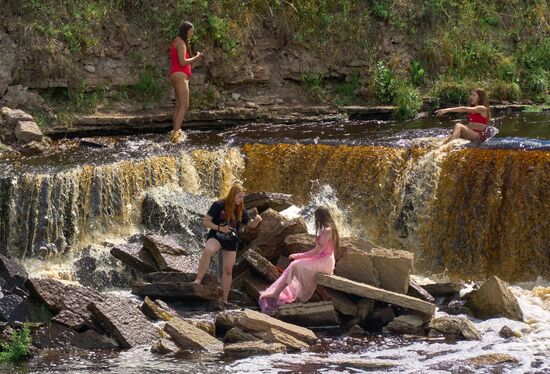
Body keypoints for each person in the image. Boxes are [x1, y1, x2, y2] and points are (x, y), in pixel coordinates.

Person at [258, 206, 339, 314]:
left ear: (320, 217)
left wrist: (297, 255)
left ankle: (277, 293)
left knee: (295, 264)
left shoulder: (328, 230)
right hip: (325, 260)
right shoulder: (331, 228)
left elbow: (316, 252)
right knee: (295, 265)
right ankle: (277, 292)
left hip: (325, 262)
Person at [193, 183, 262, 303]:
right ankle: (198, 279)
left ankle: (224, 299)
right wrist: (220, 228)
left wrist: (257, 220)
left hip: (231, 240)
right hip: (217, 235)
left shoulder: (240, 208)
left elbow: (251, 224)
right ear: (233, 195)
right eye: (240, 197)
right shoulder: (218, 205)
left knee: (228, 270)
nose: (241, 200)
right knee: (208, 250)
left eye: (243, 197)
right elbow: (206, 221)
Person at [168, 22, 203, 143]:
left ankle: (174, 134)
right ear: (186, 31)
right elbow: (183, 62)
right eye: (191, 31)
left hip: (176, 75)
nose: (192, 34)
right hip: (180, 76)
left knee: (178, 106)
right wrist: (197, 57)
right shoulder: (181, 43)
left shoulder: (176, 41)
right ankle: (176, 135)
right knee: (184, 106)